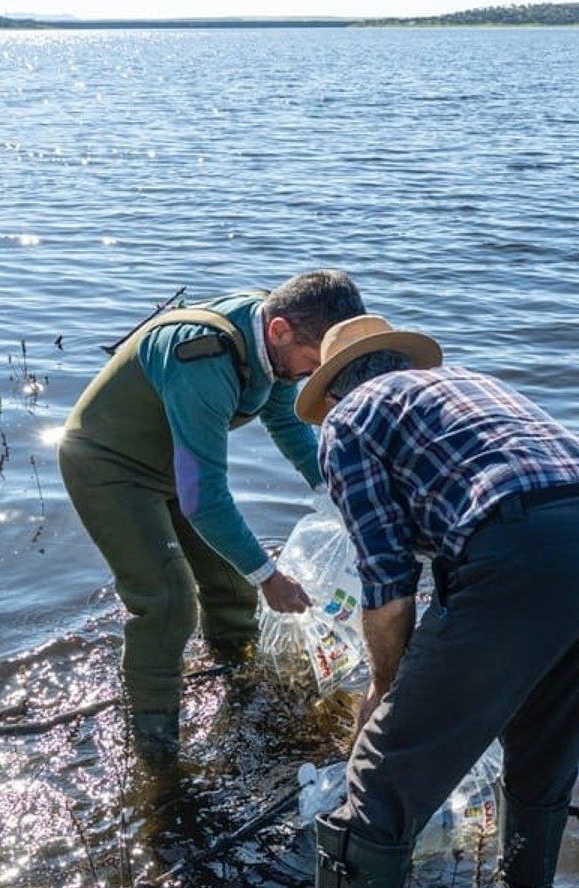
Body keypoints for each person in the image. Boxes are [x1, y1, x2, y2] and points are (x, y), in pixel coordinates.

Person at [295, 314, 579, 888]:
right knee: (546, 745)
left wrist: (386, 690)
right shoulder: (467, 386)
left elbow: (387, 581)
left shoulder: (348, 422)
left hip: (520, 547)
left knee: (382, 774)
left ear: (333, 389)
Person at [57, 270, 366, 755]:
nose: (312, 376)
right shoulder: (201, 358)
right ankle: (156, 746)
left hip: (176, 461)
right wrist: (270, 576)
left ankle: (236, 674)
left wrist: (335, 492)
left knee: (228, 583)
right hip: (110, 466)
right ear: (280, 330)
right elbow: (204, 497)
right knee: (167, 601)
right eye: (311, 364)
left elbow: (285, 421)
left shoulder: (275, 339)